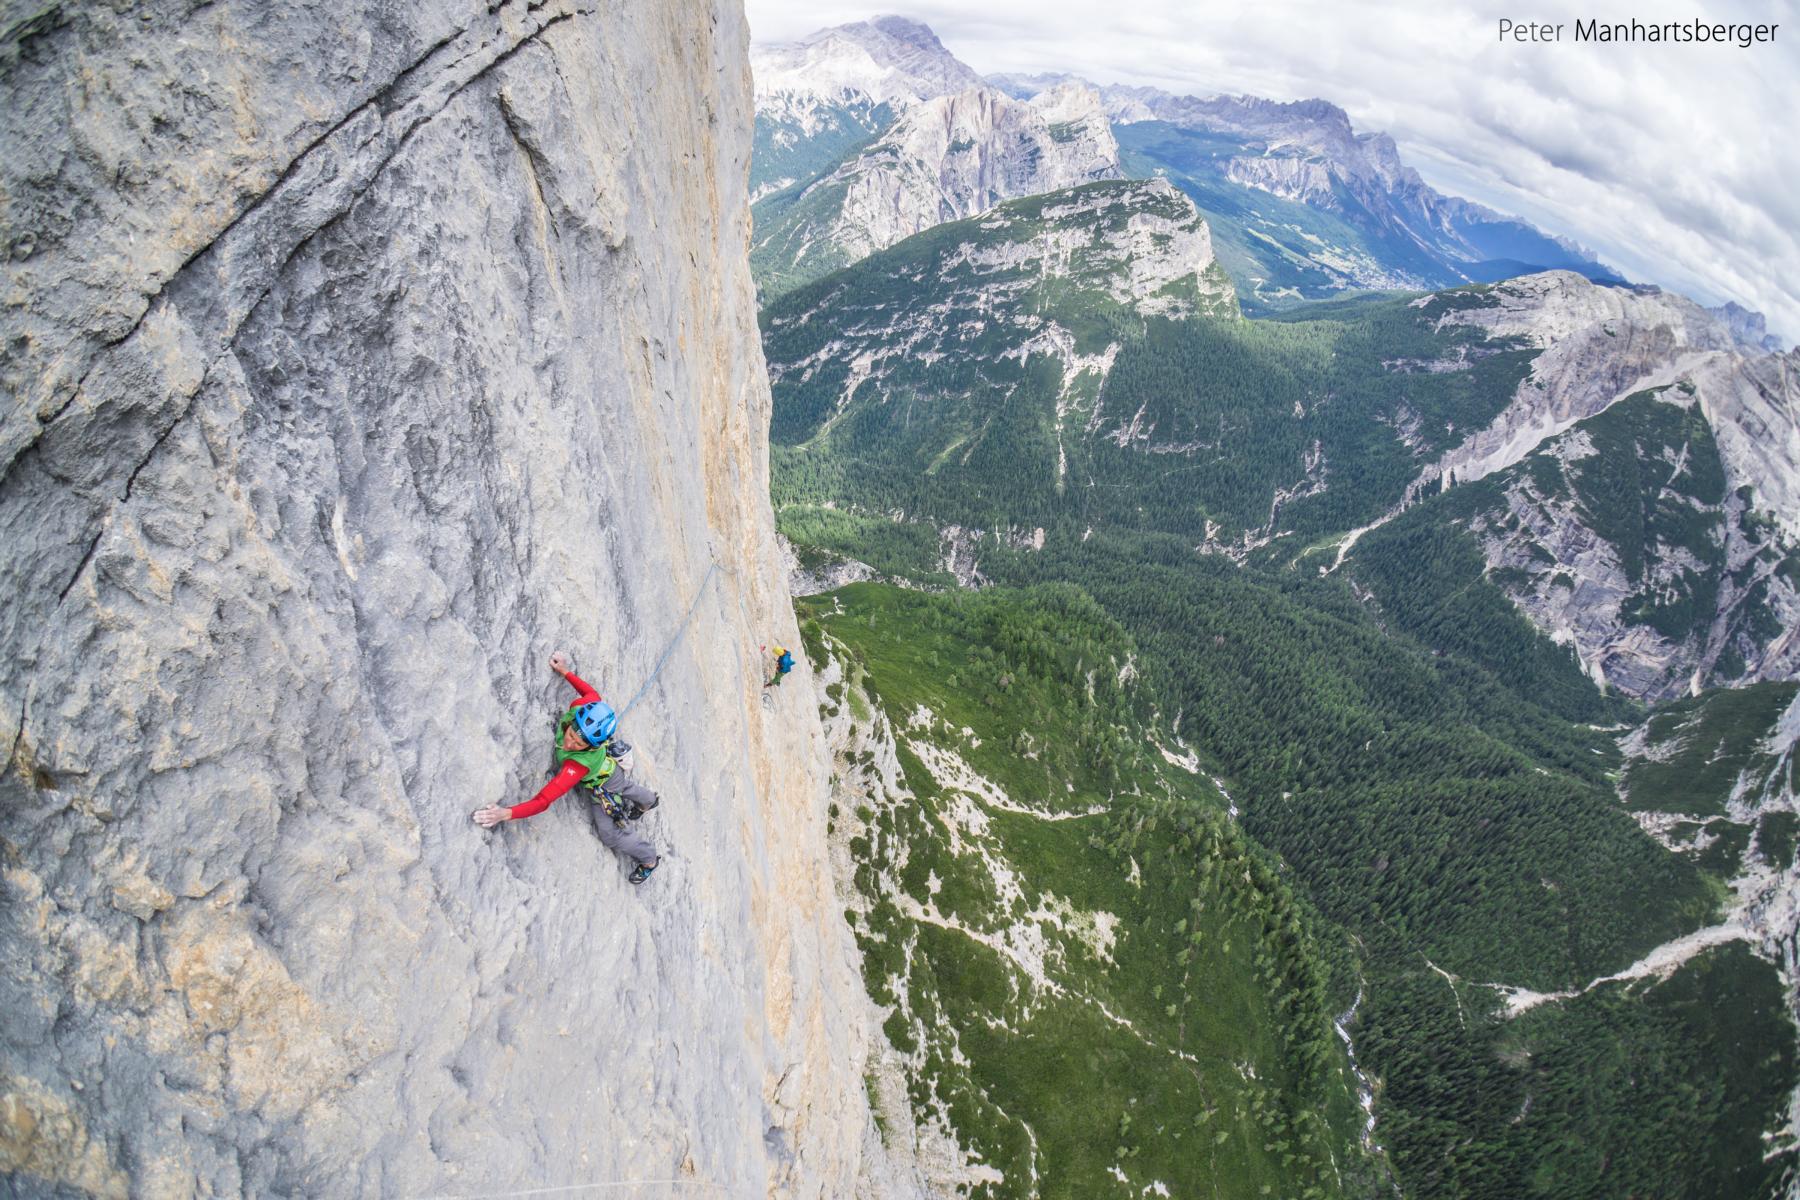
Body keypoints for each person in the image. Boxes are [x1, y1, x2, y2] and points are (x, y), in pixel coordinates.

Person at [472, 651, 661, 884]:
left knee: (610, 834)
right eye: (571, 734)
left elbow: (543, 801)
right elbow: (591, 694)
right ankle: (649, 801)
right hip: (610, 770)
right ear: (573, 721)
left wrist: (505, 813)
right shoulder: (580, 708)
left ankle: (649, 858)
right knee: (624, 785)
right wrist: (565, 671)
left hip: (601, 781)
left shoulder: (577, 766)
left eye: (579, 743)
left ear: (591, 746)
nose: (570, 742)